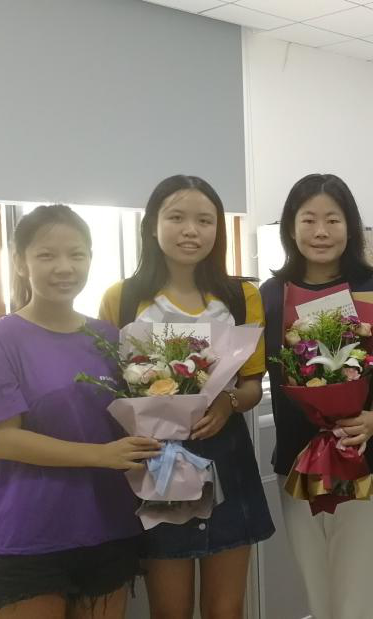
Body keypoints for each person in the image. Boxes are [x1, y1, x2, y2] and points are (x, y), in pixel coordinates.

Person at [0, 205, 157, 619]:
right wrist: (101, 455)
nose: (64, 267)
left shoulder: (109, 337)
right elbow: (4, 439)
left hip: (108, 522)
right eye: (46, 255)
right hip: (32, 531)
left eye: (76, 254)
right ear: (20, 263)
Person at [99, 175, 274, 619]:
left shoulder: (241, 296)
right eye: (176, 218)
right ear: (152, 225)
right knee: (170, 609)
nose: (190, 230)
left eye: (204, 220)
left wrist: (227, 404)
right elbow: (112, 387)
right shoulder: (123, 298)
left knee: (225, 608)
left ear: (218, 229)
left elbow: (251, 384)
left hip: (225, 454)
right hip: (156, 461)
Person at [260, 173, 373, 619]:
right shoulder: (269, 296)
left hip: (367, 457)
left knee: (358, 596)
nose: (320, 232)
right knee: (318, 593)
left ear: (350, 227)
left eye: (333, 220)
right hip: (297, 460)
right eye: (308, 220)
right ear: (291, 227)